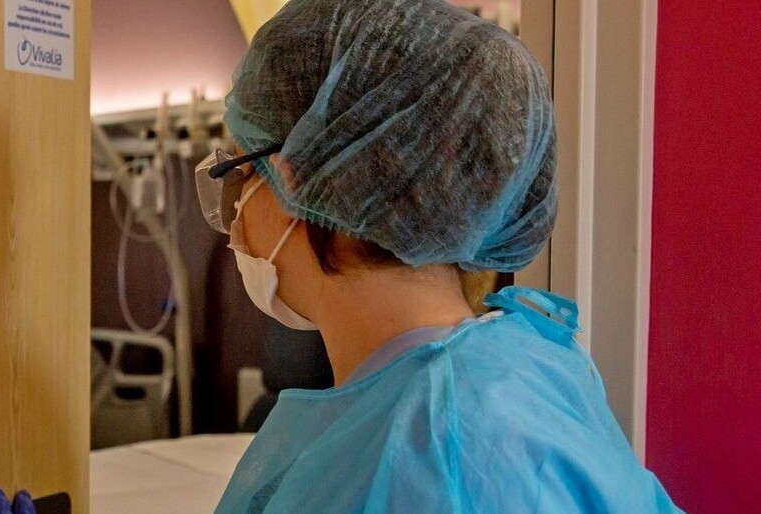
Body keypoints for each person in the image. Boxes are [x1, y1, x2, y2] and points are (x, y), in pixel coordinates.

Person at [192, 0, 683, 512]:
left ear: (295, 177)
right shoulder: (522, 367)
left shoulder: (435, 455)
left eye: (238, 172)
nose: (235, 209)